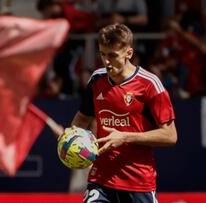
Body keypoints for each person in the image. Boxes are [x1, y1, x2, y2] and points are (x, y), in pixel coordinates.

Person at [68, 24, 177, 202]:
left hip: (138, 181)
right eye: (102, 54)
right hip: (101, 178)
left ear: (129, 53)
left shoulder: (150, 84)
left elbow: (170, 135)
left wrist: (125, 137)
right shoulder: (97, 79)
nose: (106, 62)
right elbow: (82, 118)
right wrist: (71, 137)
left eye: (112, 55)